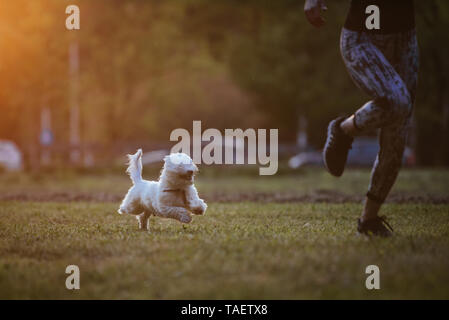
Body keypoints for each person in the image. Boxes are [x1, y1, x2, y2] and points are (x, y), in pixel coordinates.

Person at [304, 0, 419, 236]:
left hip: (405, 39)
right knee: (398, 101)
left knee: (397, 135)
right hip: (362, 39)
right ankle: (344, 129)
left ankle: (369, 220)